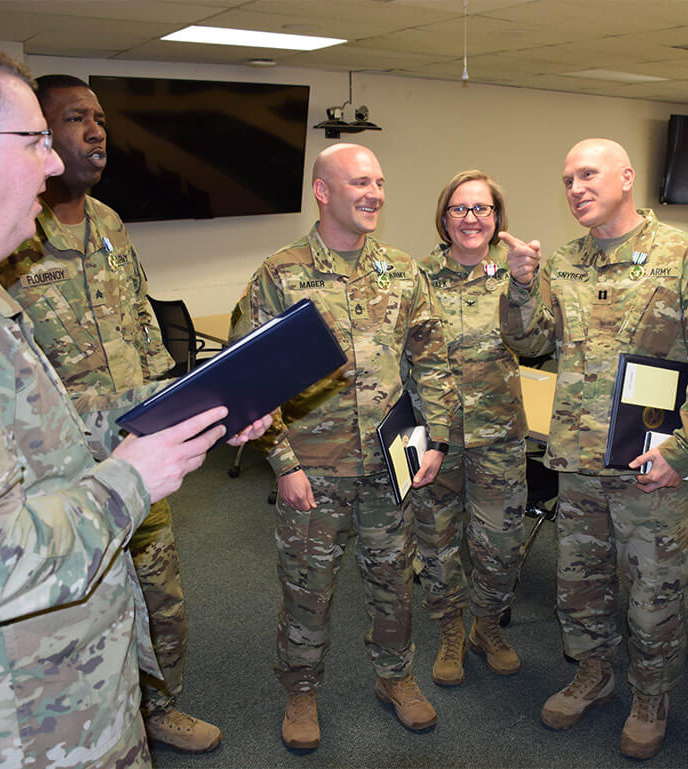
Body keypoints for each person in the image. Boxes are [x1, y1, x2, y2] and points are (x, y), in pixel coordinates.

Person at [0, 40, 268, 768]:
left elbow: (39, 439)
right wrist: (133, 477)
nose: (53, 165)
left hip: (57, 699)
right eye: (36, 142)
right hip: (12, 730)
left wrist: (189, 404)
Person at [502, 138, 688, 759]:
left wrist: (687, 450)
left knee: (655, 592)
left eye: (587, 174)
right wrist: (524, 285)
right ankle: (594, 673)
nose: (575, 188)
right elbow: (529, 341)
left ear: (626, 177)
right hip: (579, 465)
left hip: (652, 469)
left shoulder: (682, 257)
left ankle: (651, 695)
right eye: (566, 179)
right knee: (579, 585)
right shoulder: (564, 262)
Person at [0, 74, 216, 754]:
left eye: (99, 119)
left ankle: (160, 709)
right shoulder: (11, 241)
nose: (95, 131)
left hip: (141, 459)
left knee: (161, 600)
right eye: (74, 118)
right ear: (41, 135)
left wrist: (170, 401)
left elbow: (145, 326)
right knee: (85, 614)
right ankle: (105, 720)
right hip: (63, 479)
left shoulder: (111, 223)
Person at [229, 143, 459, 750]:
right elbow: (249, 380)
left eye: (380, 182)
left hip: (392, 465)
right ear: (323, 192)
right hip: (315, 468)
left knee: (393, 582)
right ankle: (301, 690)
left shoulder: (404, 272)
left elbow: (431, 361)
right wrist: (282, 463)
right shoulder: (282, 273)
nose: (374, 193)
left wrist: (434, 440)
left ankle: (396, 677)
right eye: (360, 182)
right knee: (307, 586)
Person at [409, 170, 538, 686]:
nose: (471, 218)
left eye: (482, 209)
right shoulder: (413, 277)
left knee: (501, 541)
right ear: (444, 218)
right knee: (437, 543)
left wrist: (525, 285)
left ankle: (486, 625)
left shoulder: (517, 276)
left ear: (497, 218)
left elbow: (535, 346)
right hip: (434, 438)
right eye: (460, 209)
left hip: (499, 437)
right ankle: (449, 629)